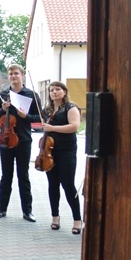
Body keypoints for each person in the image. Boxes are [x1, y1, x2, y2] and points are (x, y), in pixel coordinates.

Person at [0, 64, 41, 222]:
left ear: (22, 75)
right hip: (5, 139)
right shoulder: (3, 95)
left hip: (24, 140)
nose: (13, 76)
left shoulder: (31, 95)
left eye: (16, 73)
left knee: (23, 176)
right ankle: (1, 209)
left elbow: (39, 117)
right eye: (11, 74)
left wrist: (24, 115)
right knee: (6, 176)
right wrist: (3, 109)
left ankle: (27, 211)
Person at [41, 81, 84, 234]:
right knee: (52, 185)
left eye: (57, 89)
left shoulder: (71, 108)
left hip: (67, 151)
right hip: (50, 152)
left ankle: (77, 219)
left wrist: (52, 128)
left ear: (64, 92)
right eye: (51, 90)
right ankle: (55, 217)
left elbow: (74, 126)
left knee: (68, 184)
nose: (54, 92)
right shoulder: (47, 110)